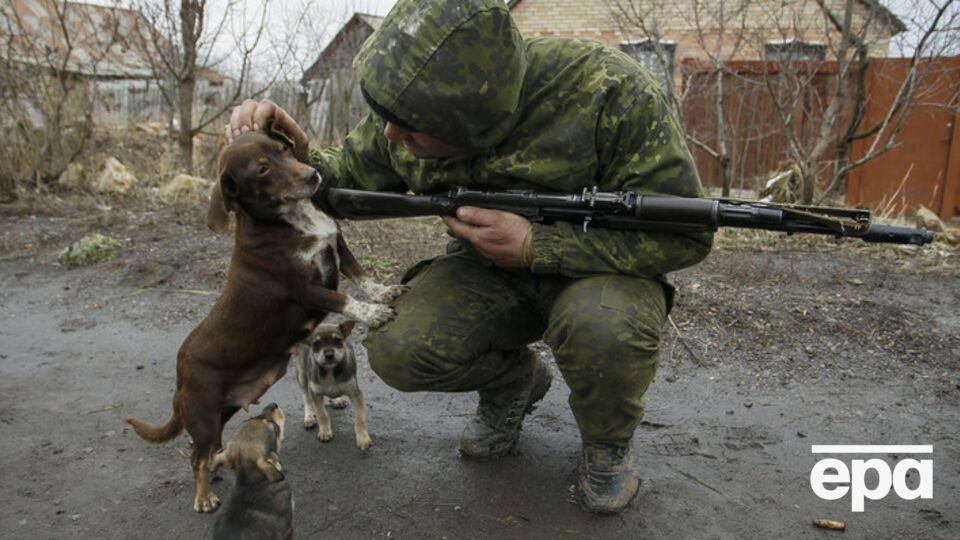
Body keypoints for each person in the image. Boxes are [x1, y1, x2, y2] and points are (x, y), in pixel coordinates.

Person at [227, 0, 712, 514]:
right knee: (400, 345)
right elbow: (344, 181)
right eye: (389, 117)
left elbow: (686, 236)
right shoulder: (414, 111)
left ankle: (607, 443)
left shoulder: (608, 91)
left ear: (472, 120)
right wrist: (293, 152)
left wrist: (537, 245)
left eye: (409, 124)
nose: (391, 133)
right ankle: (514, 382)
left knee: (604, 327)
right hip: (491, 273)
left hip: (603, 273)